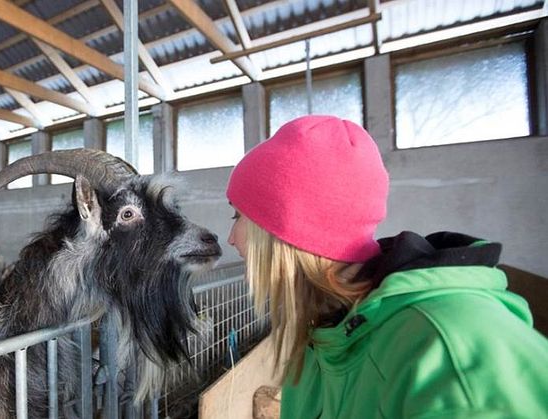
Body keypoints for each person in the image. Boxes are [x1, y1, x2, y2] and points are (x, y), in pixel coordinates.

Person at [225, 115, 548, 418]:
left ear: (282, 229)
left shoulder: (454, 350)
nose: (230, 238)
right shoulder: (323, 336)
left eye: (237, 216)